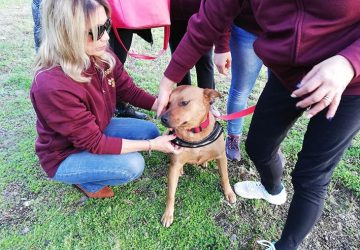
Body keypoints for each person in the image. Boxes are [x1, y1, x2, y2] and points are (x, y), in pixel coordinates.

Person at [156, 0, 360, 249]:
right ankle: (272, 189)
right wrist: (169, 80)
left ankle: (285, 245)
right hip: (286, 75)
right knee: (258, 146)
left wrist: (350, 61)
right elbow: (207, 20)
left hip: (349, 86)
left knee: (311, 177)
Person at [30, 0, 182, 199]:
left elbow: (129, 91)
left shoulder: (100, 54)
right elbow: (96, 143)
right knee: (133, 165)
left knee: (150, 131)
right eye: (97, 30)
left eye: (107, 24)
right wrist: (153, 145)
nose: (107, 36)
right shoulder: (51, 85)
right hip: (64, 154)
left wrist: (168, 108)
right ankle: (86, 182)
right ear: (67, 32)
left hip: (95, 128)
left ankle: (93, 167)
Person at [225, 24, 263, 161]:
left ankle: (272, 141)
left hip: (286, 30)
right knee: (240, 90)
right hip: (249, 28)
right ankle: (233, 137)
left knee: (278, 91)